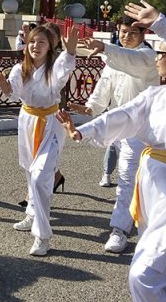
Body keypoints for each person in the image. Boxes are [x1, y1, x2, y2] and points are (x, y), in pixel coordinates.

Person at [59, 0, 166, 302]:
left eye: (163, 53)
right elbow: (125, 115)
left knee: (145, 277)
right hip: (154, 196)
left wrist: (162, 24)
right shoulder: (156, 95)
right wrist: (84, 130)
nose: (157, 58)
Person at [67, 17, 159, 253]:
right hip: (118, 126)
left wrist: (106, 48)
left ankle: (119, 229)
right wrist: (90, 107)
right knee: (139, 180)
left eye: (132, 33)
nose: (127, 36)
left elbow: (131, 62)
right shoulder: (114, 59)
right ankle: (150, 223)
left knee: (128, 179)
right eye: (123, 32)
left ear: (143, 36)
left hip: (140, 129)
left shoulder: (148, 58)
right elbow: (104, 87)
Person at [0, 24, 78, 256]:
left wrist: (70, 52)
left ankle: (42, 235)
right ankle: (31, 212)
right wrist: (4, 86)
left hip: (50, 122)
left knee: (41, 176)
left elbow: (66, 65)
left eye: (42, 42)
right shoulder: (20, 69)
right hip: (28, 121)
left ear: (51, 46)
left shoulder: (55, 66)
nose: (36, 46)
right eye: (32, 41)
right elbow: (12, 91)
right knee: (31, 171)